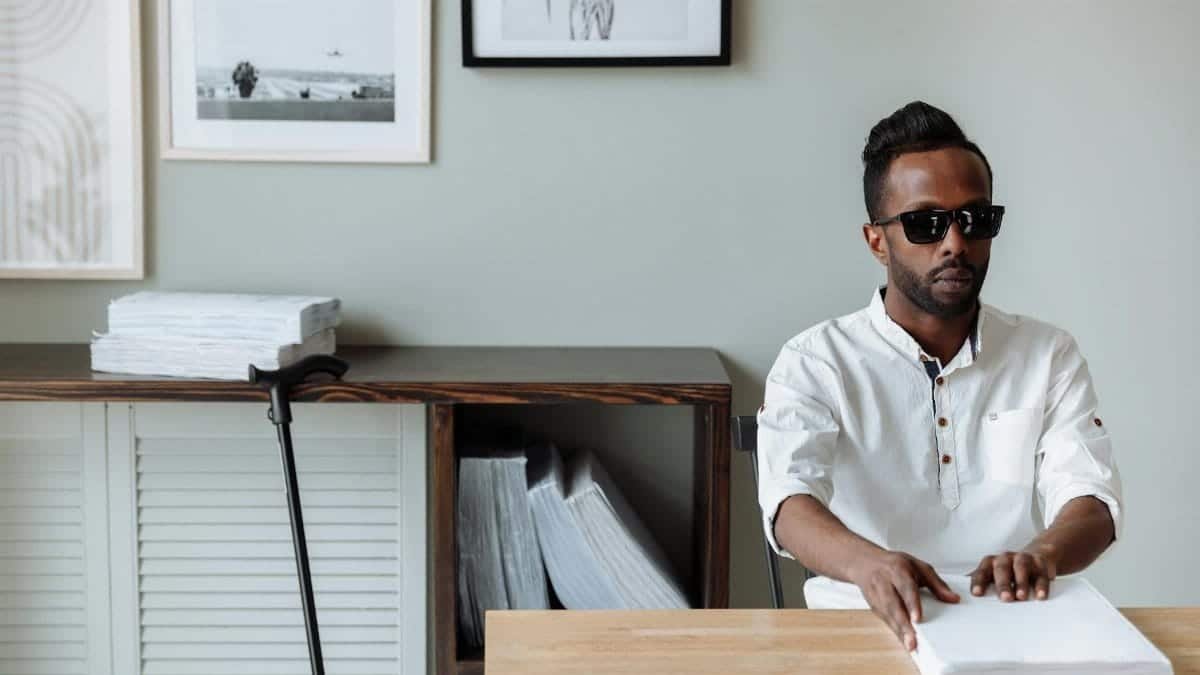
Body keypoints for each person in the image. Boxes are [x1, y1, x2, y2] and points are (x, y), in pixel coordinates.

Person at [756, 101, 1121, 652]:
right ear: (876, 239)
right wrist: (870, 566)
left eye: (975, 219)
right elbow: (788, 501)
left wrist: (1042, 555)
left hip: (1014, 629)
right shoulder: (815, 361)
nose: (955, 243)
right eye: (926, 224)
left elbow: (1091, 497)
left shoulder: (1047, 353)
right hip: (856, 627)